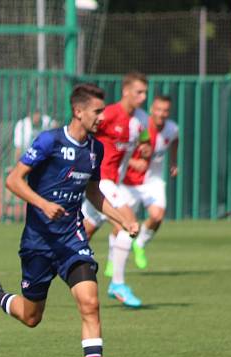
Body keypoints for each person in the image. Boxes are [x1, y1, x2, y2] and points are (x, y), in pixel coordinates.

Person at [0, 83, 139, 357]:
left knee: (90, 302)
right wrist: (42, 204)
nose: (102, 118)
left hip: (71, 239)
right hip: (37, 243)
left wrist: (122, 219)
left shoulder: (95, 149)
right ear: (78, 111)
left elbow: (93, 194)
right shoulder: (49, 141)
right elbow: (13, 180)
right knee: (32, 317)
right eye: (97, 112)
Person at [81, 71, 149, 308]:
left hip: (110, 183)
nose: (142, 97)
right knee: (128, 223)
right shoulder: (109, 114)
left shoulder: (140, 119)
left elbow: (145, 140)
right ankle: (117, 284)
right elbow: (85, 131)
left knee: (81, 234)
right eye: (138, 92)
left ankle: (44, 269)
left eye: (145, 93)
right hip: (102, 181)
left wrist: (144, 152)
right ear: (126, 92)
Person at [122, 95, 179, 269]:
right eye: (158, 109)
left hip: (153, 180)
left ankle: (139, 244)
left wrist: (174, 162)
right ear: (152, 110)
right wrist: (132, 163)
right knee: (122, 223)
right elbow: (122, 151)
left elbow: (175, 141)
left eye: (166, 110)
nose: (162, 114)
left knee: (157, 215)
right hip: (130, 180)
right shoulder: (141, 126)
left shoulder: (172, 129)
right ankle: (113, 264)